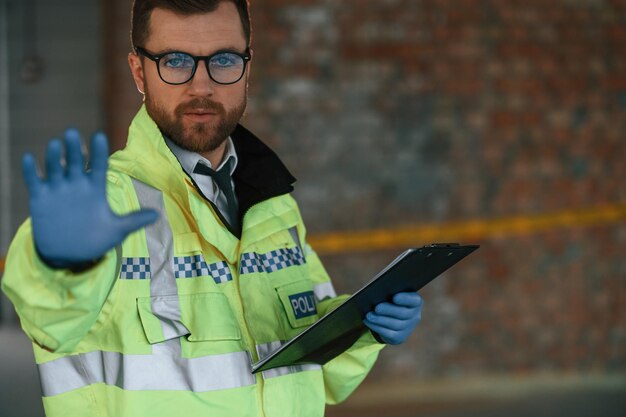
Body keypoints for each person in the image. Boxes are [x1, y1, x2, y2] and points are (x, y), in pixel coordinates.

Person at [1, 1, 423, 416]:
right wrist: (58, 264)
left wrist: (362, 328)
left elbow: (320, 370)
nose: (201, 86)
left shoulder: (272, 203)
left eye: (222, 60)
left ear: (246, 68)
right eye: (175, 60)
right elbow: (49, 318)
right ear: (138, 72)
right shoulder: (109, 204)